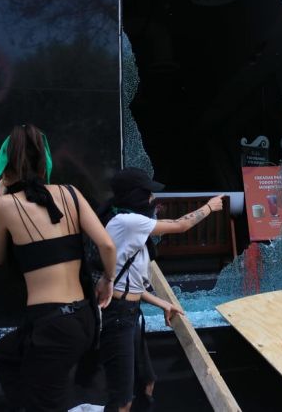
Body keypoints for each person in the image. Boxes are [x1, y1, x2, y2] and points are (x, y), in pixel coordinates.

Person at [0, 124, 117, 411]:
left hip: (52, 325)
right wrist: (108, 280)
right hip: (83, 317)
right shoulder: (71, 193)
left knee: (46, 403)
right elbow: (107, 245)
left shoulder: (5, 206)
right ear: (44, 162)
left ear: (6, 167)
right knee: (7, 356)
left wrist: (0, 197)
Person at [96, 167, 224, 412]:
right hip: (118, 317)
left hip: (129, 313)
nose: (153, 198)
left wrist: (161, 302)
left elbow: (129, 285)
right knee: (122, 401)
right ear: (136, 196)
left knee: (146, 382)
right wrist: (210, 207)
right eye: (149, 194)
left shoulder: (128, 223)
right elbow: (180, 225)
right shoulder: (128, 222)